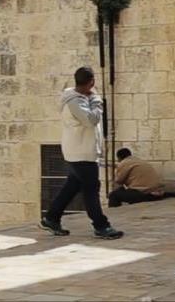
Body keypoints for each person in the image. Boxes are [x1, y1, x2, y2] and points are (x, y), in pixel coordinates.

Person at [39, 67, 123, 239]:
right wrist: (97, 102)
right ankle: (101, 226)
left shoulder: (79, 99)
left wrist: (92, 99)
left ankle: (51, 218)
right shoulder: (75, 102)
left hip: (79, 151)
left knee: (72, 186)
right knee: (91, 189)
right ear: (91, 82)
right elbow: (91, 120)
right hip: (81, 153)